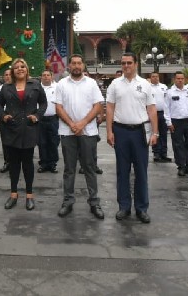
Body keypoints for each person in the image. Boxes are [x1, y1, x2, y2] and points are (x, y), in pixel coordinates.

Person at [106, 53, 157, 223]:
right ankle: (124, 206)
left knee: (141, 171)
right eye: (123, 63)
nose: (126, 65)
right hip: (120, 131)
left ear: (136, 64)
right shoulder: (114, 84)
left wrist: (155, 132)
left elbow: (151, 110)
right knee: (122, 170)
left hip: (140, 131)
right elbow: (110, 109)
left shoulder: (145, 84)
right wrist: (109, 132)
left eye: (129, 62)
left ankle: (142, 208)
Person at [55, 55, 104, 219]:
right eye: (73, 63)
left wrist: (82, 123)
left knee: (89, 168)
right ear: (69, 66)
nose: (76, 66)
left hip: (88, 132)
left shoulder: (91, 83)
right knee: (69, 169)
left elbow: (98, 106)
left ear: (83, 65)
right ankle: (68, 201)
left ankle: (94, 202)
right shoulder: (62, 84)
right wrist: (72, 124)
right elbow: (59, 108)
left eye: (79, 63)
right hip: (68, 132)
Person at [0, 58, 47, 211]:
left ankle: (29, 195)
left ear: (26, 69)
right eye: (16, 67)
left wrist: (37, 116)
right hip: (11, 129)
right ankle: (13, 194)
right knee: (13, 164)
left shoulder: (35, 85)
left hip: (29, 129)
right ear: (13, 70)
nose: (20, 69)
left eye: (22, 66)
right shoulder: (6, 87)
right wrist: (3, 116)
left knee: (28, 164)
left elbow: (43, 103)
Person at [165, 71, 188, 177]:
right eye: (178, 78)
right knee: (178, 145)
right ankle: (181, 167)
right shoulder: (169, 92)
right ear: (174, 80)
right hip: (176, 122)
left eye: (181, 78)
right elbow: (166, 108)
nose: (180, 80)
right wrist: (169, 122)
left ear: (184, 79)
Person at [37, 69, 60, 173]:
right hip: (40, 120)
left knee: (53, 142)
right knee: (42, 142)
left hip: (53, 119)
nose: (46, 77)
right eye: (44, 75)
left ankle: (52, 164)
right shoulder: (37, 88)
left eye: (48, 75)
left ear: (52, 77)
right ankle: (44, 163)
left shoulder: (57, 87)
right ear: (41, 77)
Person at [149, 72, 170, 163]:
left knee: (164, 133)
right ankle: (156, 153)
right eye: (153, 76)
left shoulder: (164, 87)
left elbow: (167, 100)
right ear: (150, 78)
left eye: (156, 76)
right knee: (155, 133)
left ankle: (164, 153)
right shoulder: (148, 87)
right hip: (153, 113)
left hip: (163, 113)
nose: (155, 78)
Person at [0, 68, 12, 174]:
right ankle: (7, 162)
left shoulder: (18, 87)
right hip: (3, 118)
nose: (7, 76)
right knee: (5, 142)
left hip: (15, 118)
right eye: (5, 74)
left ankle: (16, 163)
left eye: (9, 74)